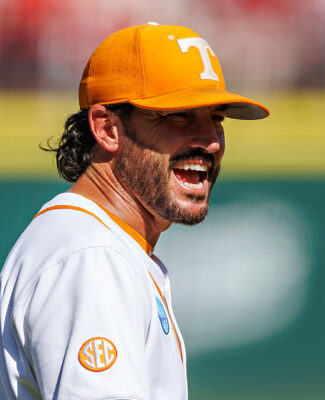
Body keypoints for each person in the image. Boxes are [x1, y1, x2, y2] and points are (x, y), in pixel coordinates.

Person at [0, 23, 269, 399]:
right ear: (107, 129)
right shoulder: (91, 258)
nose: (210, 140)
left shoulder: (105, 245)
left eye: (216, 118)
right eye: (179, 116)